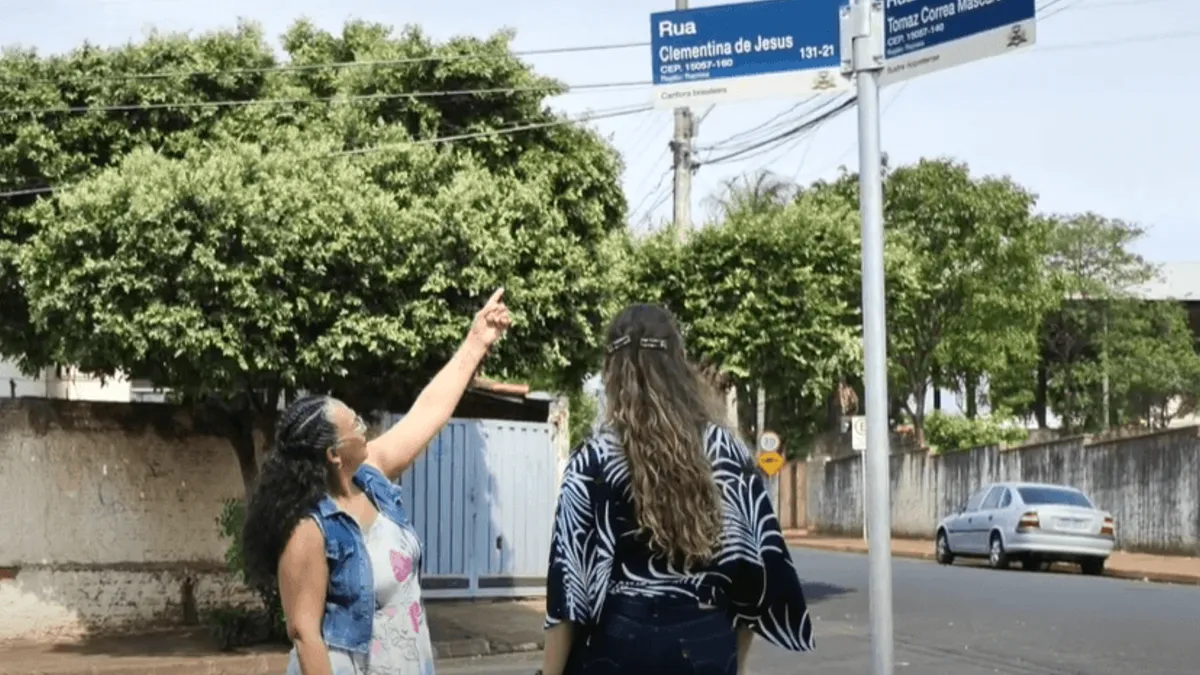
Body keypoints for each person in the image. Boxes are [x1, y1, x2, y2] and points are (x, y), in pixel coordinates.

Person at [242, 289, 511, 675]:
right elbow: (304, 634)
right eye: (355, 425)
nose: (365, 428)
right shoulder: (308, 527)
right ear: (334, 454)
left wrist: (476, 342)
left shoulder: (371, 479)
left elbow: (429, 411)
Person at [539, 304, 814, 675]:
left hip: (615, 645)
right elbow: (756, 574)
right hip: (706, 639)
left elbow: (566, 592)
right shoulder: (725, 452)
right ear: (679, 363)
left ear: (611, 372)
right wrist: (734, 662)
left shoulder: (592, 462)